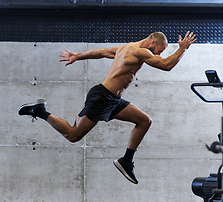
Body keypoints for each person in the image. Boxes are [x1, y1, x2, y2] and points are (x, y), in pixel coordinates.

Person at [19, 31, 196, 184]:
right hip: (102, 98)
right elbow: (166, 65)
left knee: (144, 121)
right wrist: (182, 49)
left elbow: (102, 52)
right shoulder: (139, 51)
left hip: (113, 99)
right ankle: (40, 111)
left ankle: (126, 161)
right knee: (73, 135)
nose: (159, 54)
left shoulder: (126, 48)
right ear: (153, 42)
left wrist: (77, 56)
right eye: (160, 50)